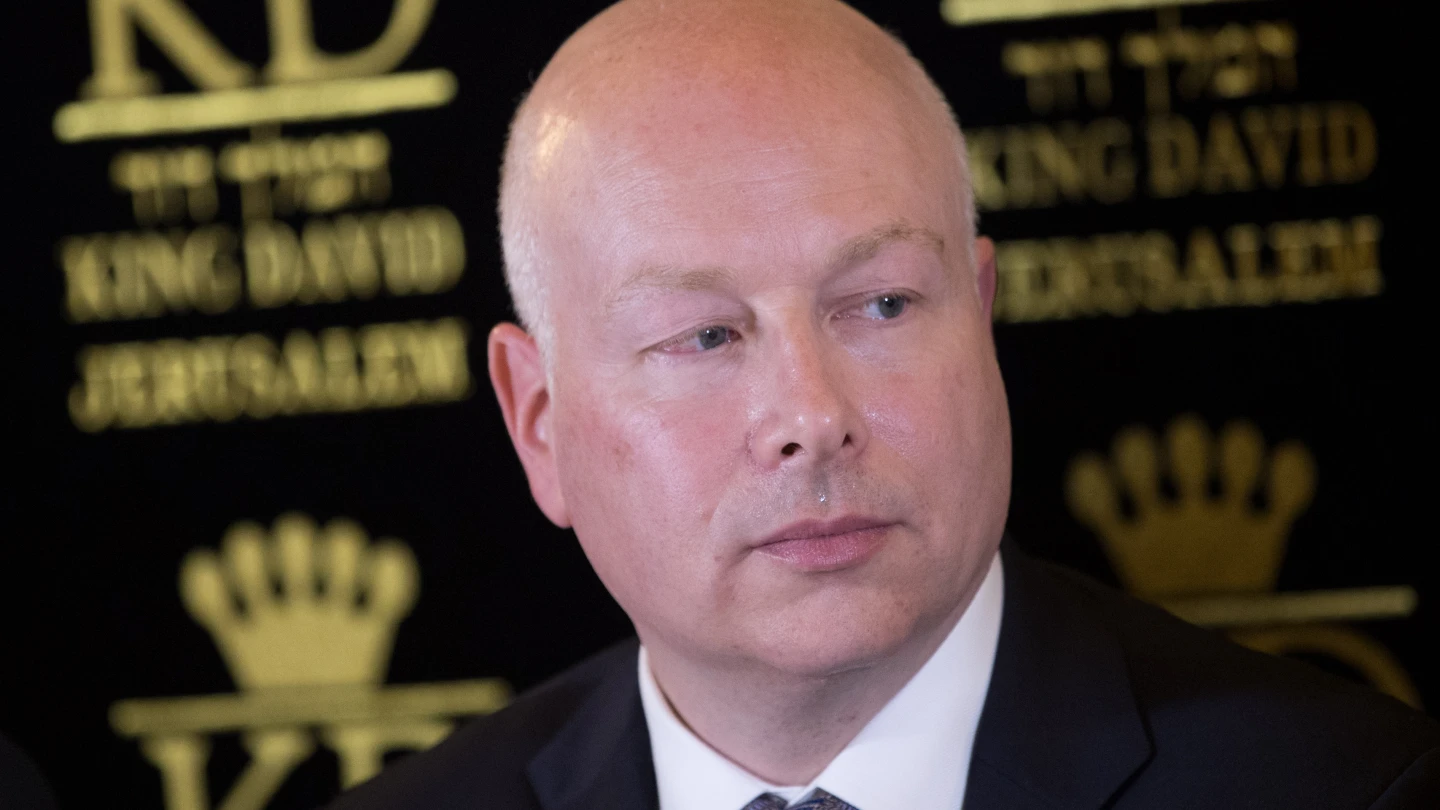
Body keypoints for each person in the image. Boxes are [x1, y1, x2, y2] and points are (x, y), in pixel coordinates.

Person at [330, 0, 1440, 807]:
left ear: (983, 312)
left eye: (882, 304)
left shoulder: (1345, 788)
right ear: (538, 425)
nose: (813, 412)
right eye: (706, 334)